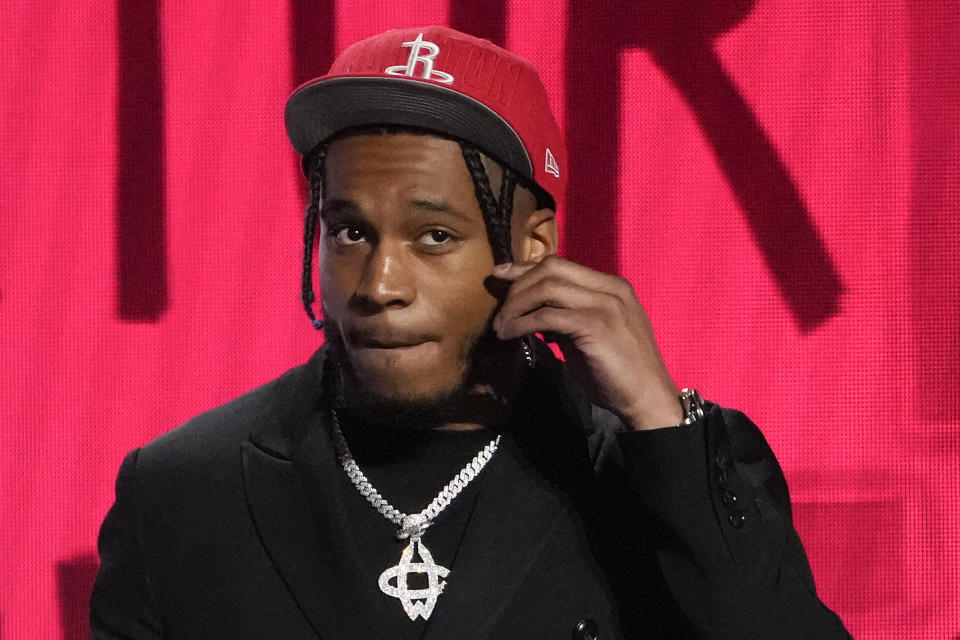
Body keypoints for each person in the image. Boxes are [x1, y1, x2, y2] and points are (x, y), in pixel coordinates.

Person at [91, 25, 851, 639]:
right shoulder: (181, 492)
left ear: (535, 249)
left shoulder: (657, 475)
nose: (380, 285)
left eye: (434, 237)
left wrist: (656, 425)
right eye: (351, 231)